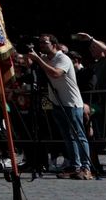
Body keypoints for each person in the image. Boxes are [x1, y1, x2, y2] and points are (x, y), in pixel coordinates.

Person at [30, 33, 92, 179]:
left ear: (54, 44)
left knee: (79, 136)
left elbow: (56, 73)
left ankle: (86, 167)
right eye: (40, 43)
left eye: (45, 42)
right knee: (67, 137)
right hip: (57, 103)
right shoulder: (46, 59)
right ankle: (74, 166)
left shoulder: (63, 58)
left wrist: (38, 60)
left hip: (71, 102)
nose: (42, 45)